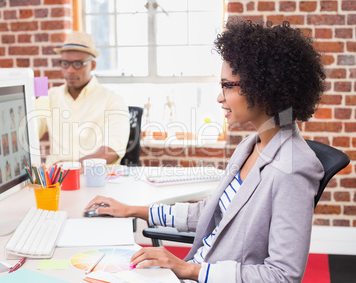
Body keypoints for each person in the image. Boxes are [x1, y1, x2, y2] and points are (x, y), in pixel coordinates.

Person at [85, 19, 326, 282]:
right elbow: (210, 211)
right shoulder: (252, 145)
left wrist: (188, 269)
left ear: (263, 88)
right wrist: (133, 209)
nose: (220, 97)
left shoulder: (292, 168)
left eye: (227, 85)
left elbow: (283, 276)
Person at [35, 31, 130, 167]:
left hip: (97, 180)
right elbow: (31, 131)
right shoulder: (50, 96)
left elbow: (112, 149)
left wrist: (73, 168)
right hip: (57, 181)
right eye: (65, 64)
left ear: (92, 65)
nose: (70, 70)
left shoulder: (112, 100)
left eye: (78, 64)